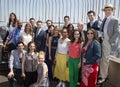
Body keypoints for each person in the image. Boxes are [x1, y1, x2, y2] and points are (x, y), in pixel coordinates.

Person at [98, 4, 119, 84]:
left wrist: (109, 42)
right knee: (103, 58)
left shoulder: (115, 20)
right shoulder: (105, 19)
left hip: (108, 41)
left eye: (109, 10)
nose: (107, 11)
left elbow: (117, 33)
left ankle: (103, 76)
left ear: (112, 11)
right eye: (106, 10)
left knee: (105, 59)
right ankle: (102, 74)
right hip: (102, 40)